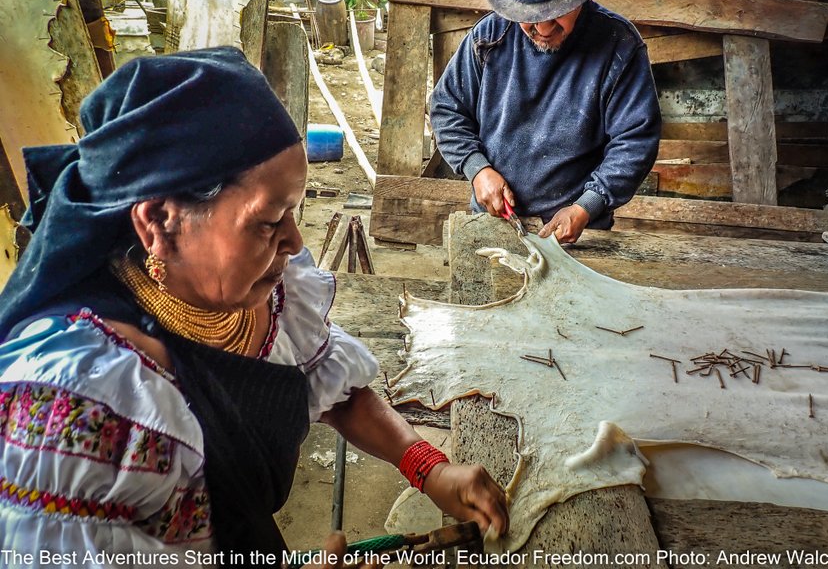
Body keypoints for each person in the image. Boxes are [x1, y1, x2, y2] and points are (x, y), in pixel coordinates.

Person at [0, 47, 507, 568]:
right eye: (267, 221)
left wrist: (427, 466)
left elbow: (329, 387)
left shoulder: (263, 289)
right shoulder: (78, 409)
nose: (292, 240)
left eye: (294, 211)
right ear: (158, 222)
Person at [430, 0, 662, 244]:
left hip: (576, 232)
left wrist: (585, 207)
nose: (543, 29)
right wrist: (478, 170)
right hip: (493, 222)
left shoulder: (619, 47)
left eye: (555, 13)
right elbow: (446, 108)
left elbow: (635, 141)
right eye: (530, 16)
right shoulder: (489, 37)